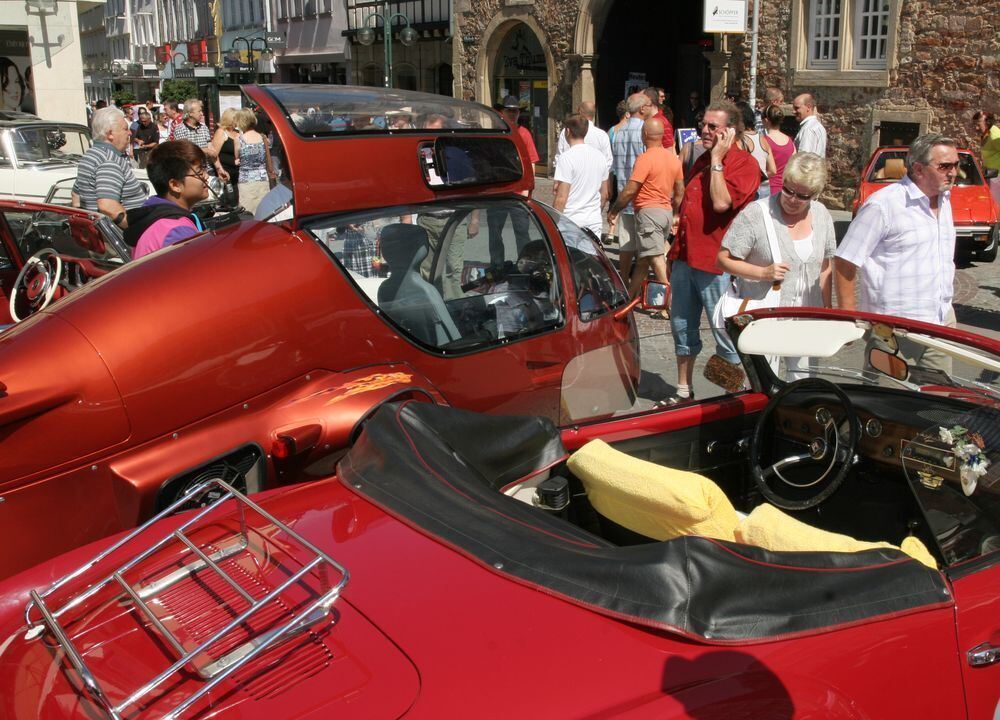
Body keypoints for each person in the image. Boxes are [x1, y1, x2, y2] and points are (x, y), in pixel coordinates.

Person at [835, 133, 959, 373]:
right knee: (886, 405)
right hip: (894, 329)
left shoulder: (945, 200)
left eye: (956, 165)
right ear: (919, 169)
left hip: (940, 323)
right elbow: (845, 260)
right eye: (944, 166)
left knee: (939, 404)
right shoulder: (883, 205)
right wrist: (848, 317)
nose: (953, 172)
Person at [666, 101, 761, 402]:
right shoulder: (701, 159)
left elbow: (721, 203)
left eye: (711, 126)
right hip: (686, 258)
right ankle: (683, 390)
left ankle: (730, 398)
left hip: (717, 264)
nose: (703, 130)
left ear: (730, 130)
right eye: (702, 124)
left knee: (726, 335)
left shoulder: (744, 164)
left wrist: (718, 160)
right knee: (682, 326)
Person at [718, 152, 834, 312]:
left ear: (814, 195)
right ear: (783, 181)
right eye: (788, 190)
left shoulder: (821, 215)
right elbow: (723, 260)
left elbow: (825, 268)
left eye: (802, 196)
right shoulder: (756, 213)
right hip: (765, 318)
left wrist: (827, 309)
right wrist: (763, 273)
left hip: (809, 318)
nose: (793, 200)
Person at [608, 117, 684, 301]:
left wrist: (614, 210)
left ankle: (671, 301)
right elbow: (680, 190)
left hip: (649, 213)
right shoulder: (673, 159)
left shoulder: (645, 158)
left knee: (655, 257)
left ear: (646, 134)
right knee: (643, 260)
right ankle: (630, 297)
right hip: (665, 211)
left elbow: (631, 189)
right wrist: (675, 213)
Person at [124, 140, 208, 259]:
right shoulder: (178, 231)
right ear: (175, 185)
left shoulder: (152, 217)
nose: (206, 176)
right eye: (199, 172)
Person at [72, 106, 149, 229]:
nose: (129, 133)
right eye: (125, 129)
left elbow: (76, 196)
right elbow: (107, 206)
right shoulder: (110, 161)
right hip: (123, 238)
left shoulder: (90, 155)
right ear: (110, 134)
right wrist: (137, 230)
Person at [486, 95, 539, 264]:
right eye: (509, 110)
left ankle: (525, 265)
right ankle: (497, 266)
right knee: (494, 233)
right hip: (498, 193)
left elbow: (531, 163)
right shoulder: (494, 133)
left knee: (522, 233)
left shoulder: (524, 134)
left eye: (515, 111)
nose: (513, 114)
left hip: (518, 193)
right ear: (501, 112)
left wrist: (527, 189)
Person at [612, 92, 658, 283]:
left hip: (625, 195)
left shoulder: (618, 131)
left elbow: (614, 166)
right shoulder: (645, 131)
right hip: (643, 197)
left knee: (626, 243)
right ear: (642, 109)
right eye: (649, 104)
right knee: (648, 246)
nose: (651, 107)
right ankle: (643, 285)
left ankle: (623, 280)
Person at [553, 114, 609, 238]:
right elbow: (604, 194)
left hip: (571, 220)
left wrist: (554, 221)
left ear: (567, 131)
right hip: (593, 221)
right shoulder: (600, 156)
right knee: (592, 256)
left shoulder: (566, 158)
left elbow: (562, 197)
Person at [554, 101, 613, 181]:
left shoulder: (567, 131)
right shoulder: (602, 135)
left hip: (570, 182)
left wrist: (558, 180)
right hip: (595, 183)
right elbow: (608, 162)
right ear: (593, 114)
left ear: (579, 112)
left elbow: (559, 158)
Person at [173, 99, 228, 181]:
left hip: (208, 171)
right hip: (192, 173)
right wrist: (205, 151)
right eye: (199, 111)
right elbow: (185, 152)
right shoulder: (180, 129)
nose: (202, 114)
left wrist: (219, 169)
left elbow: (211, 151)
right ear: (190, 113)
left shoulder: (204, 127)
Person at [234, 107, 274, 216]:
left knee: (247, 214)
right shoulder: (262, 137)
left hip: (246, 181)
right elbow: (267, 156)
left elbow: (237, 158)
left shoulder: (239, 140)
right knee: (264, 213)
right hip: (262, 180)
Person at [736, 101, 774, 199]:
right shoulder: (762, 138)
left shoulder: (740, 140)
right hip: (766, 188)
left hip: (750, 189)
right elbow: (773, 170)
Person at [761, 104, 795, 196]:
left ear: (766, 120)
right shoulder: (790, 141)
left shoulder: (763, 141)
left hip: (768, 189)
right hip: (785, 189)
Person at [211, 107, 241, 204]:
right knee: (228, 200)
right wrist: (220, 170)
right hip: (225, 173)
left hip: (237, 173)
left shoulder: (237, 133)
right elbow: (214, 154)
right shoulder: (221, 132)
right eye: (236, 118)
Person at [973, 110, 1000, 206]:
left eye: (978, 125)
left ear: (987, 123)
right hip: (992, 176)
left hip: (997, 178)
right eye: (975, 125)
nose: (976, 128)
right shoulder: (987, 133)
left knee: (995, 207)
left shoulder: (995, 136)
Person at [793, 93, 827, 158]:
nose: (793, 111)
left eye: (797, 108)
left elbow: (804, 158)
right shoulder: (817, 126)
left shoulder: (808, 129)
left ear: (808, 107)